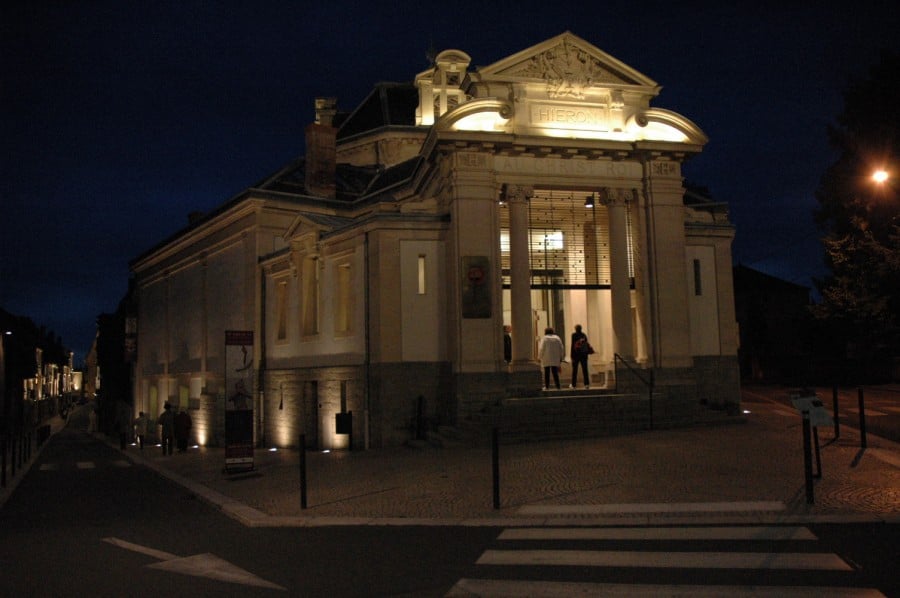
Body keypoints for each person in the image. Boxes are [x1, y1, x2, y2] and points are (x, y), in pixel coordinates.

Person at [569, 324, 591, 389]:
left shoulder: (574, 335)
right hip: (584, 355)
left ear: (575, 329)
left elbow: (572, 345)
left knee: (574, 370)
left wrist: (572, 355)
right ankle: (586, 384)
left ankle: (573, 385)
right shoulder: (584, 335)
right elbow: (586, 345)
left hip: (576, 355)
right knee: (585, 370)